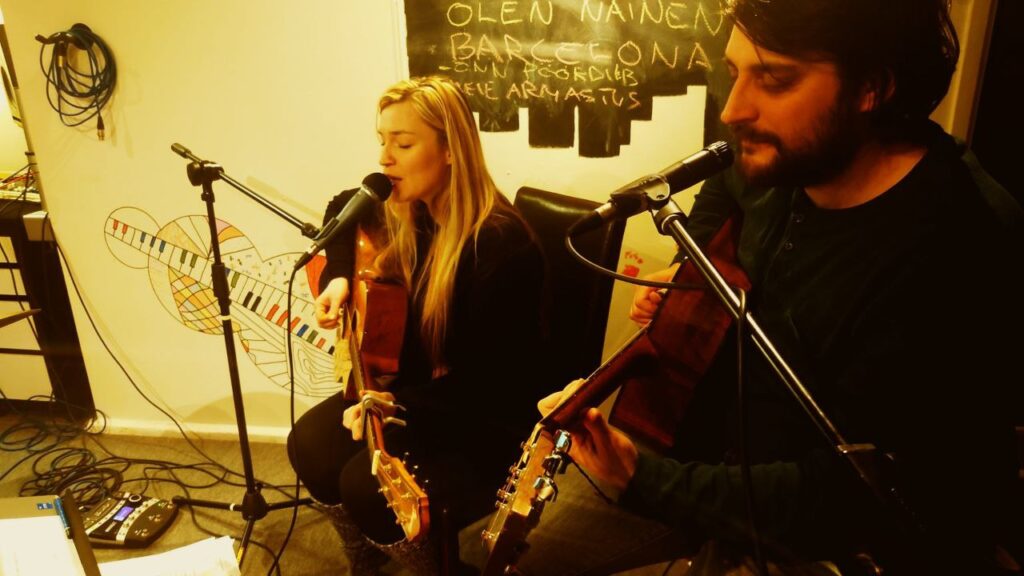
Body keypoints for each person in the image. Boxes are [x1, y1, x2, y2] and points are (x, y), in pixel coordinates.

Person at [514, 0, 1023, 574]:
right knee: (499, 555)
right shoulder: (783, 154)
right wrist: (692, 272)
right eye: (734, 73)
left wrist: (639, 477)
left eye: (775, 79)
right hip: (696, 445)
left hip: (823, 532)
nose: (733, 110)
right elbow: (724, 191)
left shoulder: (963, 244)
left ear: (872, 87)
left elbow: (861, 491)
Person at [288, 75, 552, 575]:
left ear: (451, 149)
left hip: (485, 420)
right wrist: (340, 279)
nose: (385, 157)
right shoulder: (412, 211)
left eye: (403, 143)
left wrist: (393, 403)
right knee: (310, 443)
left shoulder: (500, 245)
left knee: (364, 488)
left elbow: (491, 384)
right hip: (421, 397)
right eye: (382, 140)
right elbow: (340, 208)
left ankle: (432, 569)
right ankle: (366, 558)